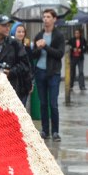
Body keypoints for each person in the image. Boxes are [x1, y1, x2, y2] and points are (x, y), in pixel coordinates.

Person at [30, 8, 66, 141]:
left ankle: (55, 131)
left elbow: (59, 54)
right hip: (40, 71)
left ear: (54, 19)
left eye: (48, 17)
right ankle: (45, 130)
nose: (46, 19)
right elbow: (33, 54)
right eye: (44, 17)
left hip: (53, 72)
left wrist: (45, 46)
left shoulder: (59, 35)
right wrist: (38, 48)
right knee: (43, 103)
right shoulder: (39, 35)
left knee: (53, 103)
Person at [10, 21, 34, 105]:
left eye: (23, 32)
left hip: (25, 82)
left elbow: (30, 65)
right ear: (13, 32)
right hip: (14, 81)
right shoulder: (10, 47)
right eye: (19, 31)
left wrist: (31, 82)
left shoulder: (27, 47)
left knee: (22, 106)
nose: (21, 34)